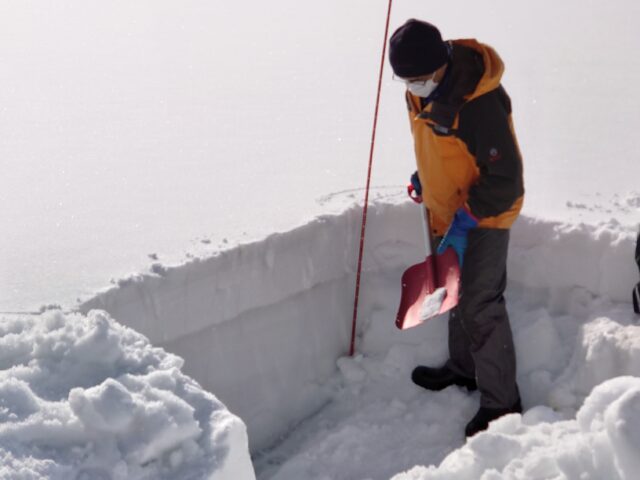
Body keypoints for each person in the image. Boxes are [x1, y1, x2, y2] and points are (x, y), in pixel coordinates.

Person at [388, 19, 525, 437]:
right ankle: (464, 368)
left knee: (481, 304)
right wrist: (425, 176)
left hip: (485, 214)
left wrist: (468, 220)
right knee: (450, 291)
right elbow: (443, 144)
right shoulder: (422, 89)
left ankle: (503, 404)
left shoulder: (480, 103)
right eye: (407, 80)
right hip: (444, 211)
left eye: (422, 79)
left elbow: (507, 179)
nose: (415, 87)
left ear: (443, 64)